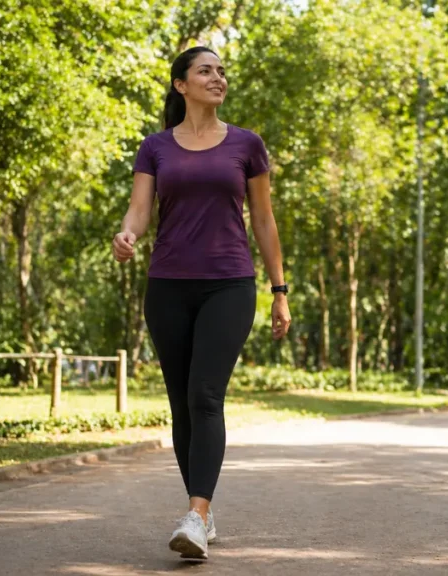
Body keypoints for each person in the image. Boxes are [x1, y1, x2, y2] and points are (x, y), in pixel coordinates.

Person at [112, 46, 291, 561]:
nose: (218, 77)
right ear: (180, 85)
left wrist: (279, 292)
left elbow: (263, 220)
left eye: (221, 71)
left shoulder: (247, 145)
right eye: (205, 71)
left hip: (229, 284)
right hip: (167, 285)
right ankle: (204, 513)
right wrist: (126, 236)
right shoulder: (155, 148)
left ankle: (196, 515)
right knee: (181, 406)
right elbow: (139, 210)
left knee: (206, 396)